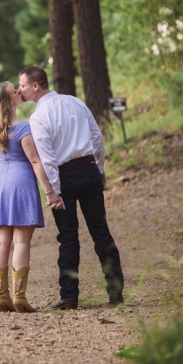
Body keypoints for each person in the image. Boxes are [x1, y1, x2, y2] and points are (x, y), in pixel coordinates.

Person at [17, 66, 124, 310]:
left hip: (63, 177)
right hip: (88, 170)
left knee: (68, 237)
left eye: (22, 85)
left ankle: (69, 297)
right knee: (101, 231)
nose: (19, 89)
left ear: (35, 86)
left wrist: (53, 190)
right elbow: (96, 137)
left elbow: (47, 157)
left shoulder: (38, 117)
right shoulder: (75, 102)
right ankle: (116, 293)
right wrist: (100, 168)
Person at [0, 81, 55, 313]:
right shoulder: (23, 127)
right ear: (9, 100)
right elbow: (35, 161)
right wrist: (49, 190)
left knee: (1, 242)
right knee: (21, 241)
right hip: (21, 182)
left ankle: (0, 296)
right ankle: (19, 297)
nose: (18, 91)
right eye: (14, 91)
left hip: (1, 184)